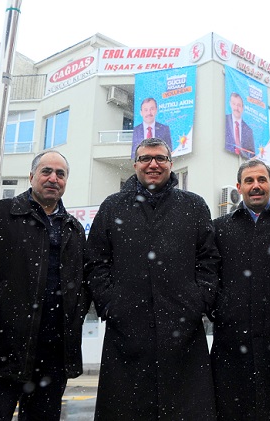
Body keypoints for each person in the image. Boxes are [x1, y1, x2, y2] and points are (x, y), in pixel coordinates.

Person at [87, 137, 220, 420]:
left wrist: (198, 300)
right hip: (127, 331)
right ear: (135, 164)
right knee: (126, 410)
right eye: (146, 158)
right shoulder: (112, 206)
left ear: (171, 165)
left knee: (186, 410)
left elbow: (209, 260)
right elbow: (96, 262)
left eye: (160, 158)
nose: (153, 164)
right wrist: (112, 303)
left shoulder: (194, 206)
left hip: (182, 329)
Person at [0, 150, 90, 420]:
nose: (53, 178)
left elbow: (82, 282)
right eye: (46, 171)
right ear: (32, 176)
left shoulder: (74, 228)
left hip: (54, 351)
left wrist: (75, 312)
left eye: (61, 174)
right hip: (3, 347)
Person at [211, 159, 270, 420]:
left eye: (261, 180)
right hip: (231, 344)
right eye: (249, 181)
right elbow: (210, 276)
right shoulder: (219, 228)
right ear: (239, 187)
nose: (256, 186)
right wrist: (221, 307)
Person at [225, 92, 255, 159]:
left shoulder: (248, 130)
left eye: (239, 105)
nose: (236, 108)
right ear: (230, 104)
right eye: (234, 104)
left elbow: (252, 155)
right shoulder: (224, 121)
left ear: (242, 107)